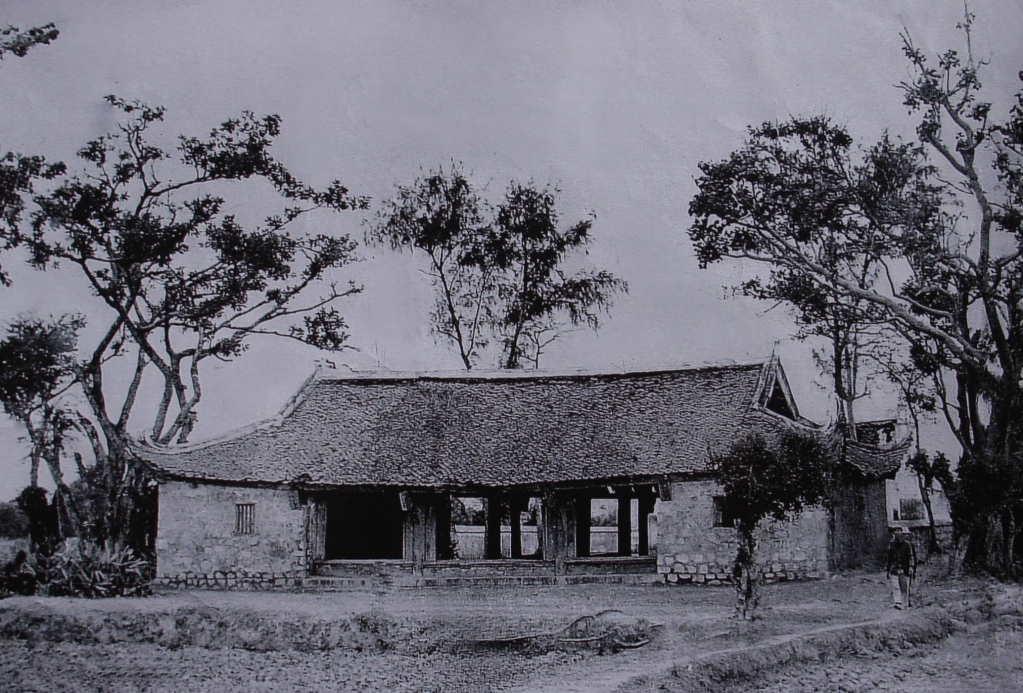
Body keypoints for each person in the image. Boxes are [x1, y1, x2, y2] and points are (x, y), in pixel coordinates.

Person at [885, 526, 917, 609]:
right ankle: (897, 602)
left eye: (899, 531)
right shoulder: (891, 544)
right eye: (896, 531)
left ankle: (905, 602)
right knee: (895, 585)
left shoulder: (907, 544)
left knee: (904, 585)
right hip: (894, 568)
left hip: (905, 567)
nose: (897, 533)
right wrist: (888, 569)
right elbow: (889, 557)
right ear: (893, 533)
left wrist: (911, 566)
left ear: (902, 533)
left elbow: (911, 556)